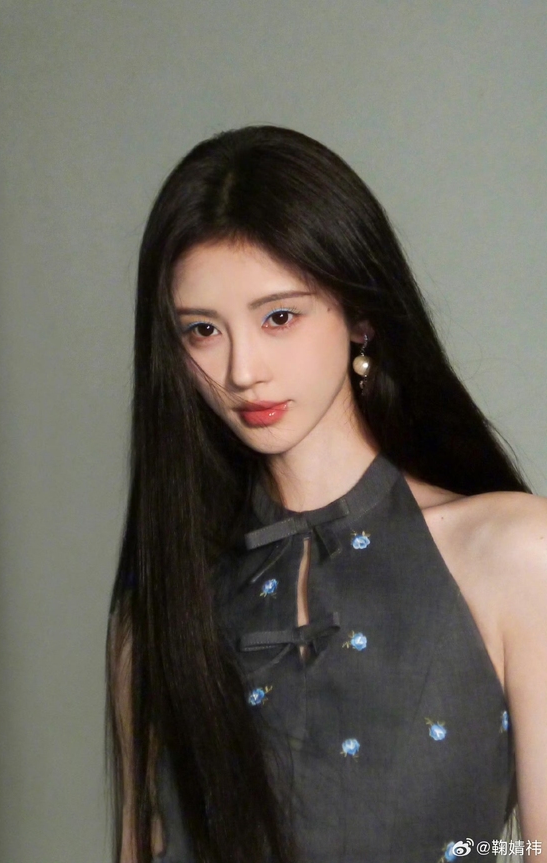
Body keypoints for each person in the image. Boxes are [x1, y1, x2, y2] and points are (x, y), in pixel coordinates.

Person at [106, 126, 547, 863]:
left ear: (359, 316)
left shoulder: (515, 556)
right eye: (203, 330)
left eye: (279, 316)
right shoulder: (159, 608)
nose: (243, 370)